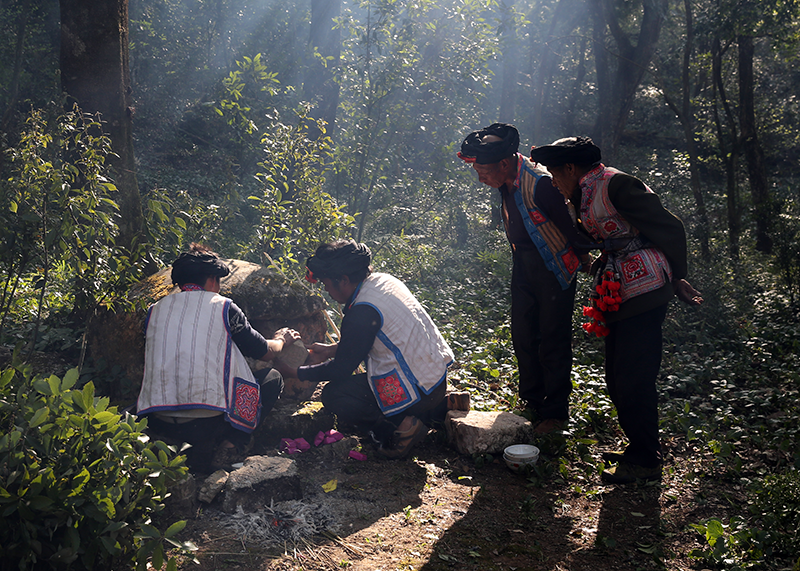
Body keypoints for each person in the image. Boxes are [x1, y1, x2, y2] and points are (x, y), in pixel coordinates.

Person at [530, 136, 703, 484]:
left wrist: (678, 276)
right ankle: (639, 447)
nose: (553, 181)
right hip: (619, 289)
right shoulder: (581, 194)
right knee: (616, 375)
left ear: (570, 168)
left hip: (646, 289)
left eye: (555, 173)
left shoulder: (617, 184)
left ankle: (646, 460)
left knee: (634, 377)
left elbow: (669, 227)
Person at [275, 239, 466, 459]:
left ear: (344, 280)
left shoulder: (361, 311)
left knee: (336, 395)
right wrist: (331, 350)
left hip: (419, 391)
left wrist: (293, 372)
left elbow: (340, 370)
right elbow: (375, 338)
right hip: (434, 381)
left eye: (327, 283)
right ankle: (441, 407)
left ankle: (403, 426)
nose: (326, 289)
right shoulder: (382, 282)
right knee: (366, 388)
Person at [458, 123, 591, 434]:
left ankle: (555, 413)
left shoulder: (542, 184)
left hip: (553, 266)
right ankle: (531, 400)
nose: (480, 177)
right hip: (524, 263)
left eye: (483, 170)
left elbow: (572, 228)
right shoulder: (506, 180)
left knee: (553, 338)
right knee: (523, 333)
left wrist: (589, 258)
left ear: (504, 163)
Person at [137, 244, 301, 472]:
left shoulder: (154, 310)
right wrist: (282, 339)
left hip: (158, 421)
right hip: (206, 424)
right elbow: (265, 351)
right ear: (213, 279)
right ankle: (232, 444)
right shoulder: (224, 308)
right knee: (271, 379)